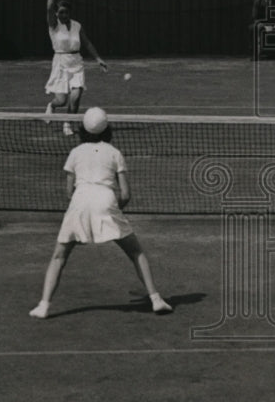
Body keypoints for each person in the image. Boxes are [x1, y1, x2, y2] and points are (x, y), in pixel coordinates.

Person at [29, 106, 173, 319]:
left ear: (83, 129)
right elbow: (125, 193)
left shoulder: (75, 153)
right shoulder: (115, 153)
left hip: (80, 201)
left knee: (59, 256)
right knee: (136, 252)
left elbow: (69, 191)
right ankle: (156, 299)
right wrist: (114, 211)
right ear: (108, 129)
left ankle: (43, 306)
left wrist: (83, 208)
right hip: (106, 201)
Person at [45, 0, 109, 136]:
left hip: (76, 64)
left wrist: (98, 59)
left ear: (70, 12)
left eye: (66, 12)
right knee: (62, 100)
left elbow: (86, 43)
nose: (63, 15)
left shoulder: (77, 26)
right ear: (57, 14)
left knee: (75, 98)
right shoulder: (53, 25)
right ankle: (51, 106)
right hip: (60, 64)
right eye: (60, 12)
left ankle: (67, 123)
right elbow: (49, 7)